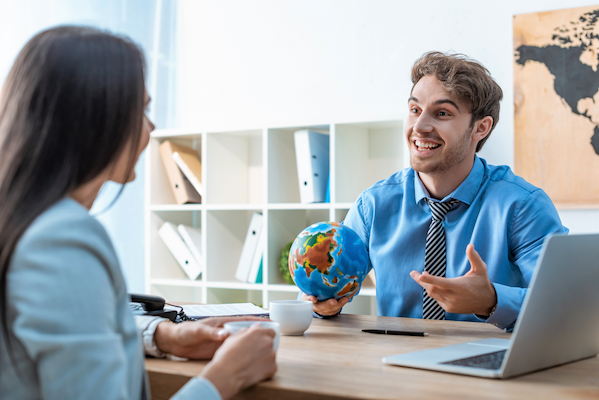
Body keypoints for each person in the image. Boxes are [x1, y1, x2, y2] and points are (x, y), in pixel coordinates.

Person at [0, 26, 276, 400]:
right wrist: (224, 378)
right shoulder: (62, 239)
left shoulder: (23, 221)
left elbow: (64, 323)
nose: (152, 126)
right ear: (97, 119)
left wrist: (162, 335)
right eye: (143, 109)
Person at [302, 51, 567, 331]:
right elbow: (319, 285)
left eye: (441, 113)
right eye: (415, 110)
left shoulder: (522, 205)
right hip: (396, 364)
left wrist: (492, 300)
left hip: (487, 364)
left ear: (480, 127)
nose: (420, 126)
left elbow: (567, 303)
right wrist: (321, 304)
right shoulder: (374, 205)